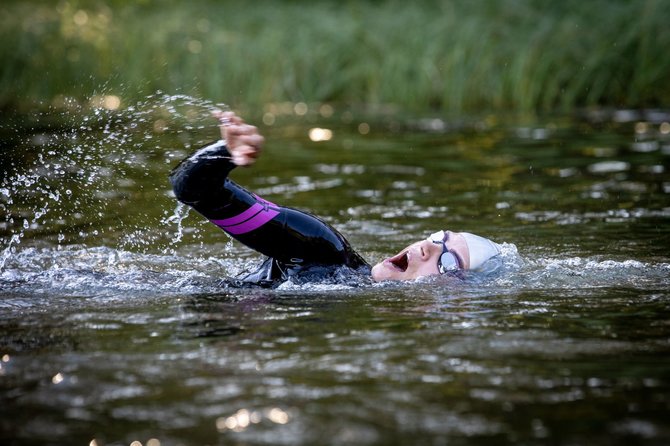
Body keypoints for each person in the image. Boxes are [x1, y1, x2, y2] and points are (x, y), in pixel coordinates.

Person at [170, 111, 502, 287]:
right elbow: (192, 189)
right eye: (438, 237)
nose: (426, 247)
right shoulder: (321, 248)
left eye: (446, 262)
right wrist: (225, 153)